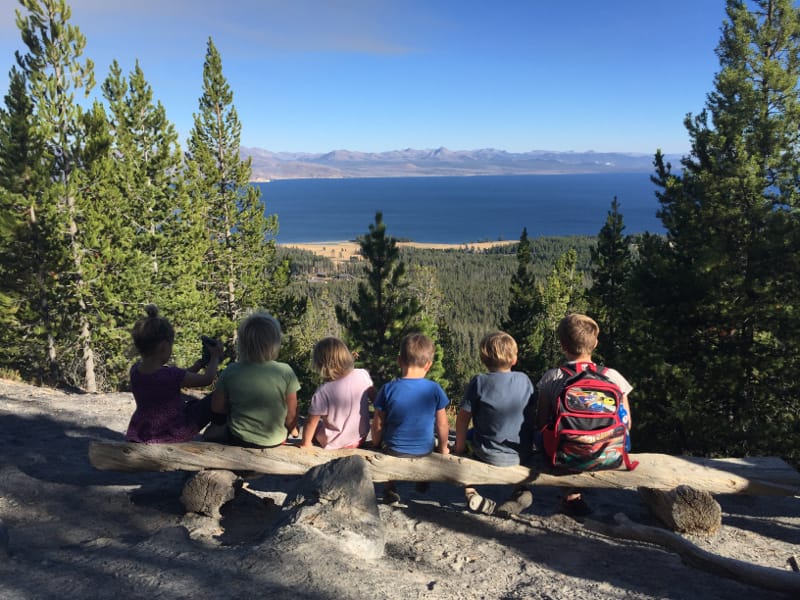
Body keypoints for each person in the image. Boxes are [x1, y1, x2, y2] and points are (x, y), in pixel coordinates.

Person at [535, 313, 633, 516]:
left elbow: (541, 421)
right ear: (595, 343)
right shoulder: (612, 376)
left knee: (541, 437)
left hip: (567, 450)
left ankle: (570, 494)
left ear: (562, 345)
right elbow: (627, 423)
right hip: (609, 450)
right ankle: (576, 490)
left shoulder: (552, 377)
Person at [453, 331, 535, 516]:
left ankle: (470, 491)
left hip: (488, 452)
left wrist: (459, 447)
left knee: (467, 440)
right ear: (514, 359)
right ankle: (521, 490)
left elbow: (463, 418)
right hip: (521, 453)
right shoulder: (525, 380)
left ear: (484, 359)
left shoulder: (479, 381)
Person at [126, 304, 222, 443]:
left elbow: (175, 381)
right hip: (174, 430)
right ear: (163, 347)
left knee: (190, 405)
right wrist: (215, 357)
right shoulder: (171, 375)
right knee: (215, 397)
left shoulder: (135, 371)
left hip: (145, 431)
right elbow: (207, 379)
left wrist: (198, 365)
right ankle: (220, 430)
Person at [371, 333, 450, 503]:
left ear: (399, 360)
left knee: (387, 439)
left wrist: (376, 443)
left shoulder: (388, 389)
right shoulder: (434, 389)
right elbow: (443, 424)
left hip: (394, 449)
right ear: (428, 365)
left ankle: (389, 487)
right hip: (425, 449)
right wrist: (443, 448)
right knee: (434, 441)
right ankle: (423, 478)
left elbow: (378, 423)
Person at [207, 311, 300, 448]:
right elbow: (292, 413)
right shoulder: (285, 371)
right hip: (275, 440)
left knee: (212, 432)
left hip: (238, 437)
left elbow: (217, 408)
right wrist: (292, 429)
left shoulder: (231, 370)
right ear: (275, 343)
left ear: (243, 343)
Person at [299, 337, 372, 450]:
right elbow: (377, 401)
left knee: (316, 427)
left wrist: (305, 444)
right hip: (360, 438)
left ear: (320, 364)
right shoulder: (362, 374)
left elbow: (311, 422)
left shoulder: (323, 391)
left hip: (336, 443)